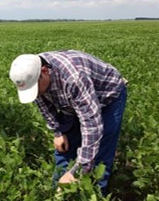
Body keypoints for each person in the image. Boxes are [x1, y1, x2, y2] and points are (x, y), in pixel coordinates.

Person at [8, 50, 128, 195]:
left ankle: (93, 194)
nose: (35, 93)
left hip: (107, 96)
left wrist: (79, 170)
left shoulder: (74, 78)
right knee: (63, 146)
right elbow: (43, 105)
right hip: (72, 101)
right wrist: (58, 132)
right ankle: (59, 193)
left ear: (45, 71)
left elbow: (92, 124)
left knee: (99, 155)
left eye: (35, 88)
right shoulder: (32, 74)